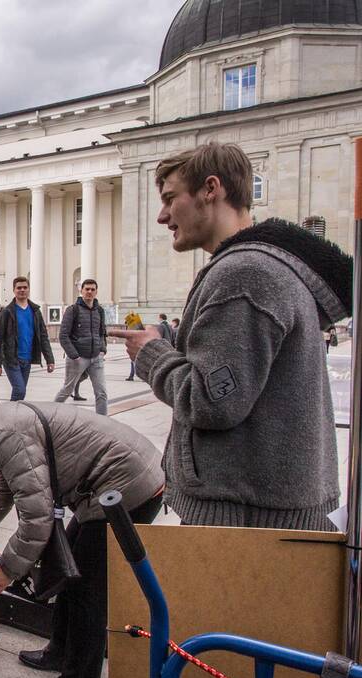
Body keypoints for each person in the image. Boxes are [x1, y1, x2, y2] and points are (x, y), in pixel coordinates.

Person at [124, 141, 350, 531]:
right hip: (267, 512)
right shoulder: (267, 266)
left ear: (211, 189)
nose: (162, 216)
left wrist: (151, 353)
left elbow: (211, 401)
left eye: (170, 198)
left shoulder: (243, 275)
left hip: (244, 522)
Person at [0, 383, 164, 678]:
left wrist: (7, 570)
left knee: (88, 598)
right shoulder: (3, 423)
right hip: (114, 483)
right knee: (73, 577)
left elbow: (36, 520)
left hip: (126, 488)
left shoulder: (6, 435)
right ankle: (62, 651)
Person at [0, 276, 55, 400]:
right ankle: (9, 416)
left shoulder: (35, 311)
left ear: (29, 289)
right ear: (14, 290)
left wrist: (50, 359)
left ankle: (15, 416)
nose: (22, 290)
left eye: (25, 287)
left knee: (21, 392)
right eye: (19, 288)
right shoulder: (7, 311)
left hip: (27, 358)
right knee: (19, 390)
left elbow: (43, 336)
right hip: (11, 358)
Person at [54, 280, 108, 416]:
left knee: (101, 392)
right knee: (67, 389)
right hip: (78, 358)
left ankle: (103, 422)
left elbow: (102, 332)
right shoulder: (73, 310)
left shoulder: (99, 310)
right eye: (87, 289)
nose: (89, 292)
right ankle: (51, 413)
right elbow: (63, 335)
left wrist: (102, 349)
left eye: (92, 289)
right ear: (81, 290)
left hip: (96, 357)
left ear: (96, 291)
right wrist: (74, 355)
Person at [122, 311, 144, 381]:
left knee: (137, 362)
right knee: (133, 362)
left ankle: (142, 376)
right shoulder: (135, 327)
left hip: (137, 347)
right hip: (133, 347)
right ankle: (131, 376)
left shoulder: (135, 327)